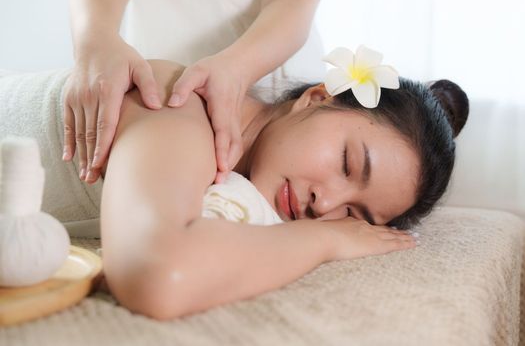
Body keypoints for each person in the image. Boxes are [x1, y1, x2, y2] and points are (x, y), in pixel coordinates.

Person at [92, 57, 469, 320]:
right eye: (346, 164)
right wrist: (326, 241)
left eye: (354, 215)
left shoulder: (244, 190)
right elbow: (155, 275)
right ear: (316, 99)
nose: (326, 208)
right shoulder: (179, 103)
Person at [63, 0, 324, 186]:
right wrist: (95, 42)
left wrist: (238, 68)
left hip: (283, 100)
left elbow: (292, 2)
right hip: (173, 97)